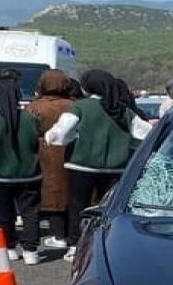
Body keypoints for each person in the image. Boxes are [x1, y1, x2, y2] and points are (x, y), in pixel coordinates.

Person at [43, 69, 153, 261]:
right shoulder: (121, 109)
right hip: (115, 168)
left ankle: (75, 245)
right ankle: (106, 244)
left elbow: (60, 133)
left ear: (87, 87)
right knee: (108, 209)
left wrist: (56, 138)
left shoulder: (81, 107)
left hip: (81, 166)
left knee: (78, 207)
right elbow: (145, 133)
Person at [0, 77, 43, 264]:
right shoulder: (31, 118)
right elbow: (37, 142)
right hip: (30, 173)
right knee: (30, 212)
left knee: (2, 213)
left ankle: (9, 248)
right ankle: (31, 250)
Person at [27, 70, 75, 247]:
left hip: (45, 153)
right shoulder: (73, 105)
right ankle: (70, 233)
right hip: (70, 151)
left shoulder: (34, 107)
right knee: (69, 192)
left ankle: (58, 234)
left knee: (51, 194)